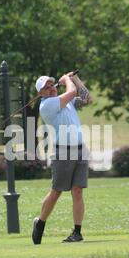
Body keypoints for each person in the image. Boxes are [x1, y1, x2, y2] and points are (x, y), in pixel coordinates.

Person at [31, 71, 90, 244]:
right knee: (57, 192)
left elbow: (86, 98)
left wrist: (76, 79)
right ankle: (40, 223)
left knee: (78, 190)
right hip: (62, 152)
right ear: (41, 93)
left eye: (51, 85)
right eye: (46, 88)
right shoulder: (47, 105)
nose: (51, 89)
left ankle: (77, 232)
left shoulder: (66, 100)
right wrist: (66, 79)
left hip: (80, 149)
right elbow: (71, 92)